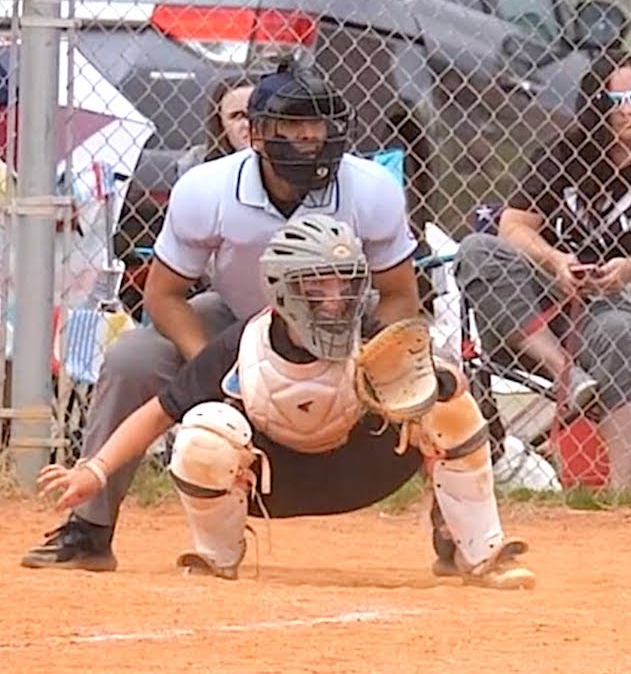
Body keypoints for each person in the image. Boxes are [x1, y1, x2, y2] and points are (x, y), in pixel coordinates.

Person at [21, 62, 422, 572]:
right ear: (255, 135)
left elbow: (398, 295)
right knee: (133, 356)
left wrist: (368, 360)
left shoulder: (370, 187)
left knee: (434, 368)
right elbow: (165, 295)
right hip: (237, 317)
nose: (307, 139)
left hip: (341, 318)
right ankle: (89, 531)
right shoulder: (207, 188)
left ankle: (462, 539)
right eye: (291, 126)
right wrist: (215, 371)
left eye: (316, 125)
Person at [34, 215, 534, 587]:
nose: (335, 299)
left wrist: (443, 379)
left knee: (449, 408)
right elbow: (157, 413)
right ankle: (216, 556)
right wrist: (94, 471)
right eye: (317, 283)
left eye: (345, 284)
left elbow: (437, 378)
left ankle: (478, 551)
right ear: (279, 289)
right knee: (206, 427)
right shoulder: (240, 346)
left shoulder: (373, 336)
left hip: (362, 473)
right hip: (273, 487)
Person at [454, 50, 631, 489]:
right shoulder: (564, 153)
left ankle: (622, 491)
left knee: (615, 330)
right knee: (477, 249)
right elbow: (514, 225)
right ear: (596, 106)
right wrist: (554, 261)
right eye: (617, 101)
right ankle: (564, 374)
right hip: (548, 300)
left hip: (625, 300)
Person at [174, 75, 257, 176]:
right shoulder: (197, 164)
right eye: (237, 116)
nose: (248, 124)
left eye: (256, 114)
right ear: (220, 122)